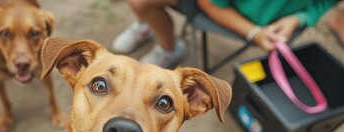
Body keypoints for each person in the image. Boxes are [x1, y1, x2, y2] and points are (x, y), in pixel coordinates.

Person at [112, 0, 337, 69]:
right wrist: (254, 33)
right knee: (140, 2)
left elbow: (324, 2)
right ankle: (159, 34)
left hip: (253, 15)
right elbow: (209, 3)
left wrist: (299, 18)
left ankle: (164, 40)